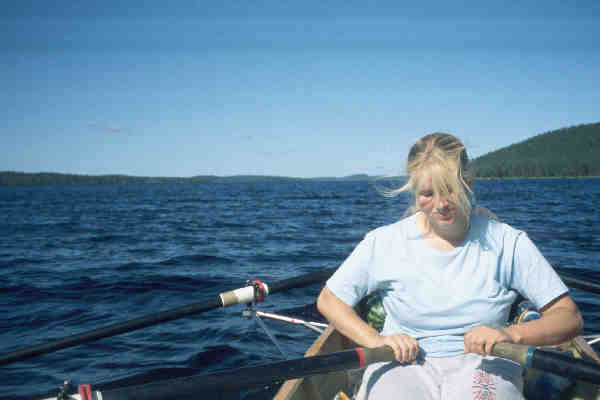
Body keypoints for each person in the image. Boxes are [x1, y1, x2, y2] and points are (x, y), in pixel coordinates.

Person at [317, 133, 583, 399]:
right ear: (413, 190)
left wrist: (509, 334)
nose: (441, 205)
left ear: (468, 182)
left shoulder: (508, 242)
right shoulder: (384, 241)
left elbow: (568, 316)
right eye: (427, 194)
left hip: (485, 361)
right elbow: (330, 301)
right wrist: (376, 341)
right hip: (401, 363)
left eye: (450, 190)